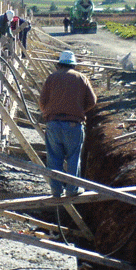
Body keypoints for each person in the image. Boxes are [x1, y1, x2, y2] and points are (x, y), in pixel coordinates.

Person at [39, 50, 97, 197]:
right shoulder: (81, 78)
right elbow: (92, 101)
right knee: (73, 157)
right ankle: (72, 189)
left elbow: (42, 101)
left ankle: (56, 190)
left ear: (59, 65)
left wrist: (48, 113)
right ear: (73, 65)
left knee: (54, 159)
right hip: (73, 124)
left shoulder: (51, 78)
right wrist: (79, 110)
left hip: (53, 124)